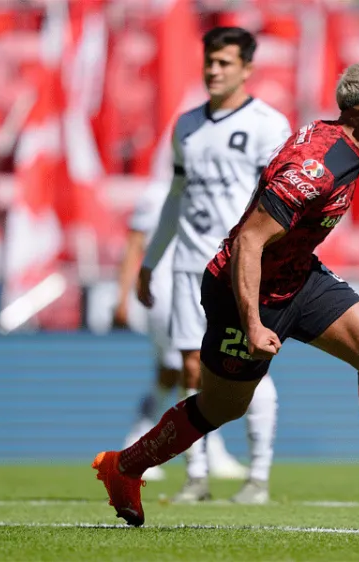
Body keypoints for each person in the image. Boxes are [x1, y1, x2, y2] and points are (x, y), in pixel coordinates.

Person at [92, 58, 359, 527]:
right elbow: (248, 240)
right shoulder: (316, 168)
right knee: (222, 407)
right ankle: (122, 467)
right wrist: (252, 323)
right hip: (243, 290)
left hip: (297, 277)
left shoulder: (349, 148)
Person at [126, 26, 290, 504]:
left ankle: (258, 477)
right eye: (210, 62)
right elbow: (176, 197)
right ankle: (195, 475)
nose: (214, 71)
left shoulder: (268, 124)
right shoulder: (186, 125)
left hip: (240, 267)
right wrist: (151, 260)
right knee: (190, 366)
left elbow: (277, 198)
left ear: (246, 68)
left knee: (252, 366)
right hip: (187, 265)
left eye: (225, 63)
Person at [112, 179, 248, 483]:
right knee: (195, 366)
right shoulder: (158, 191)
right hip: (166, 291)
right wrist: (122, 295)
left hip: (200, 286)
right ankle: (204, 448)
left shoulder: (222, 184)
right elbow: (136, 243)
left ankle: (140, 440)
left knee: (170, 371)